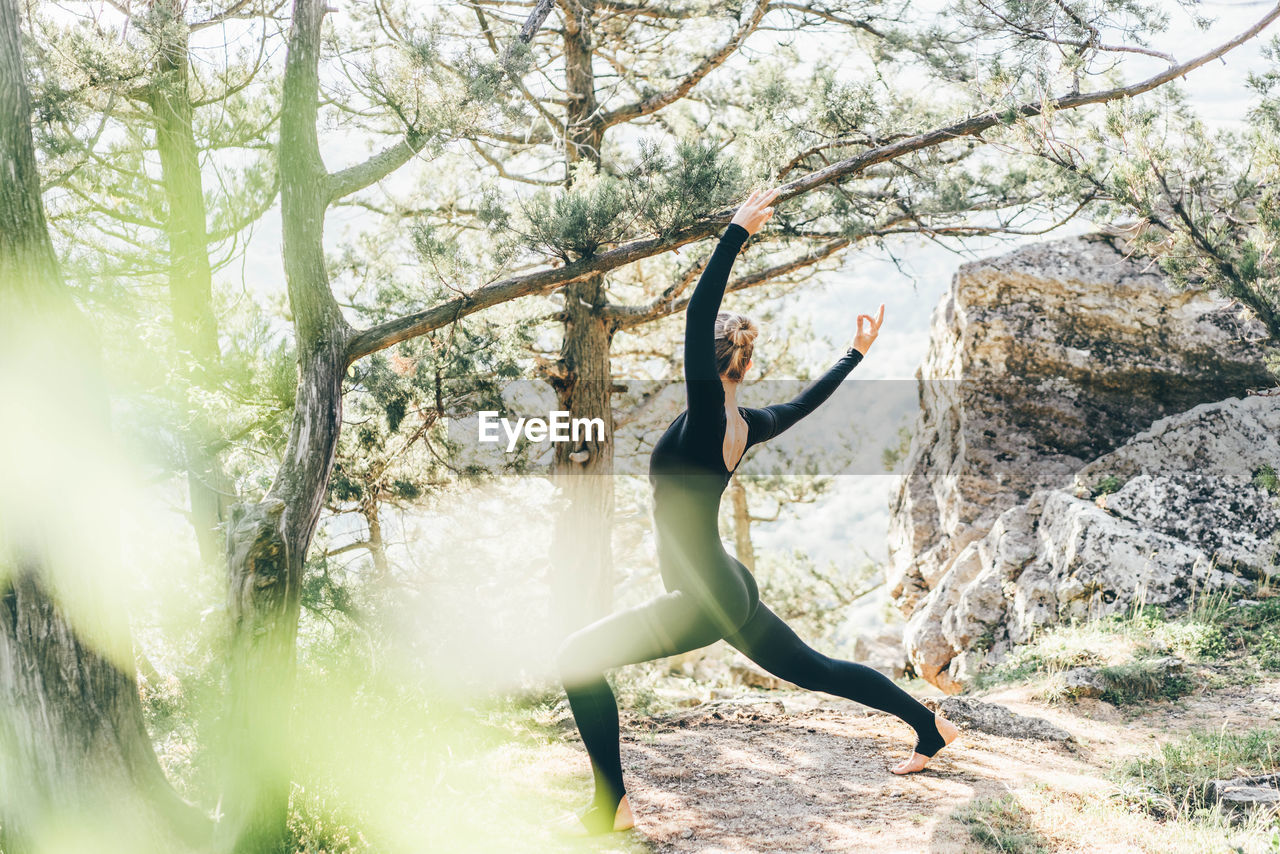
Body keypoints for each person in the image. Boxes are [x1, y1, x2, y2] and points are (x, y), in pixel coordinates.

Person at [555, 187, 959, 836]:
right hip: (727, 584)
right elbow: (803, 404)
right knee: (816, 670)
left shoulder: (707, 418)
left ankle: (612, 807)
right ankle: (928, 727)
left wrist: (736, 233)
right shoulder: (746, 422)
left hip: (703, 594)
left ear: (709, 364)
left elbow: (697, 317)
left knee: (576, 657)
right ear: (742, 363)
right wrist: (853, 355)